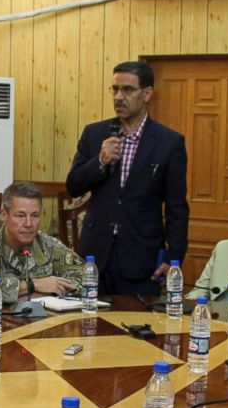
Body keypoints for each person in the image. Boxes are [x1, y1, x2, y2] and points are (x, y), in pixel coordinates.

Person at [66, 61, 189, 295]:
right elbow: (73, 185)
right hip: (94, 257)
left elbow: (177, 207)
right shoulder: (94, 134)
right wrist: (99, 161)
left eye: (127, 90)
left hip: (141, 259)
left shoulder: (169, 143)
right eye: (114, 89)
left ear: (147, 94)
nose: (118, 97)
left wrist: (174, 259)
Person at [0, 181, 85, 303]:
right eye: (20, 216)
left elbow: (87, 277)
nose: (29, 224)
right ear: (4, 215)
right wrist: (33, 286)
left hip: (44, 320)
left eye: (34, 215)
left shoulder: (49, 245)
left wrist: (51, 291)